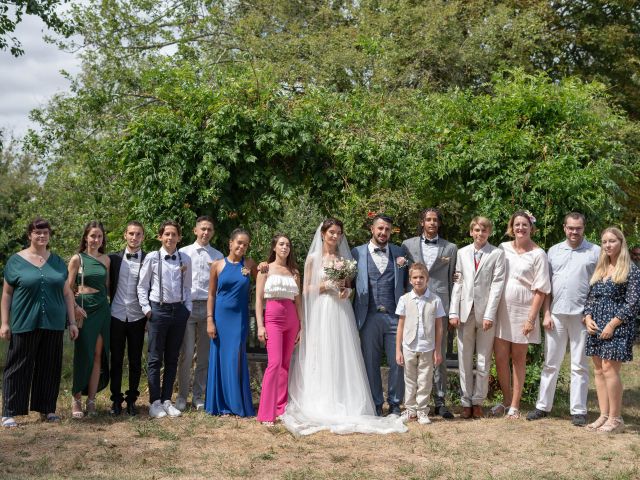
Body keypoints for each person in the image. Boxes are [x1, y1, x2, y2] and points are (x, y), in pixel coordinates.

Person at [281, 218, 407, 435]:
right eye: (331, 232)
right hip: (322, 309)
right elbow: (306, 289)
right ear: (323, 234)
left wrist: (345, 291)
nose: (335, 236)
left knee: (342, 353)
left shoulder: (345, 259)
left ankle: (345, 398)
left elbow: (350, 287)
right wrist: (328, 285)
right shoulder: (313, 259)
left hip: (341, 310)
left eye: (338, 232)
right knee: (323, 351)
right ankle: (322, 400)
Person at [1, 218, 79, 428]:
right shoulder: (16, 261)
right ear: (30, 235)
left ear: (49, 235)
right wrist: (5, 323)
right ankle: (9, 411)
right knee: (18, 366)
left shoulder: (57, 262)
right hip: (24, 321)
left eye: (45, 233)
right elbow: (7, 294)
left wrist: (72, 322)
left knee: (49, 367)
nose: (42, 236)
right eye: (37, 233)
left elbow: (67, 294)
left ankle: (47, 409)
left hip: (53, 323)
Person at [527, 213, 599, 426]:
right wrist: (546, 313)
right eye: (570, 228)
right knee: (551, 363)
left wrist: (590, 314)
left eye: (578, 228)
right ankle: (543, 406)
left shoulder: (595, 252)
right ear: (564, 228)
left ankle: (578, 410)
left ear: (584, 228)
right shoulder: (553, 251)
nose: (574, 232)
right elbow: (546, 287)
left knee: (579, 365)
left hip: (582, 316)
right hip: (556, 314)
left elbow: (598, 286)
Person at [493, 210, 550, 419]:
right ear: (511, 227)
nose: (520, 228)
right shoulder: (503, 249)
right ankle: (506, 401)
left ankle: (516, 405)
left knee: (518, 358)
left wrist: (531, 318)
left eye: (524, 225)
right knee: (499, 358)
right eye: (517, 224)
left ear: (531, 227)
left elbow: (541, 289)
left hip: (524, 311)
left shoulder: (538, 254)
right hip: (501, 310)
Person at [584, 227, 640, 433]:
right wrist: (587, 317)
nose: (608, 245)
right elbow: (590, 297)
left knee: (610, 368)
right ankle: (604, 415)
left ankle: (616, 419)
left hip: (617, 326)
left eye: (612, 241)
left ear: (621, 243)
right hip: (596, 325)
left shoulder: (631, 270)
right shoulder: (601, 269)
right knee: (598, 369)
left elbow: (632, 303)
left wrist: (612, 324)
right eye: (604, 241)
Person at [402, 208, 457, 419]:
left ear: (439, 223)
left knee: (438, 355)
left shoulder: (450, 248)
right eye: (428, 219)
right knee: (411, 355)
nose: (432, 223)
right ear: (422, 222)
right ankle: (412, 404)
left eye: (435, 220)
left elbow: (453, 279)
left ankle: (440, 401)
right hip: (414, 306)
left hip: (439, 306)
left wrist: (453, 310)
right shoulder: (408, 245)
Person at [449, 216, 505, 419]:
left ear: (489, 232)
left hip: (486, 314)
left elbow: (497, 285)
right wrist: (453, 311)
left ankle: (478, 401)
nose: (480, 234)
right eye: (476, 230)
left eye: (484, 230)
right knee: (464, 358)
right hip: (465, 312)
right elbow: (459, 282)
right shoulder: (462, 252)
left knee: (482, 359)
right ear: (471, 231)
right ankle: (465, 401)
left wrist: (490, 314)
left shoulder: (497, 254)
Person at [352, 214, 408, 416]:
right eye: (380, 229)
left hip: (394, 316)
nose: (383, 233)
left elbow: (407, 283)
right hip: (368, 316)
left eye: (387, 229)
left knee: (397, 361)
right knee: (370, 362)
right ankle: (375, 402)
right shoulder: (357, 253)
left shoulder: (399, 252)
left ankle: (394, 403)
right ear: (372, 229)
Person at [137, 220, 192, 419]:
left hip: (178, 311)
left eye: (174, 234)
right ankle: (154, 402)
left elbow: (187, 287)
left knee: (172, 358)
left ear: (179, 237)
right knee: (154, 358)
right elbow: (142, 286)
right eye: (166, 234)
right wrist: (147, 310)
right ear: (160, 237)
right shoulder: (152, 258)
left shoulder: (185, 259)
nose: (170, 238)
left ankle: (167, 399)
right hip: (157, 311)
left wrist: (187, 309)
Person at [205, 228, 257, 417]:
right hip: (220, 318)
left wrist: (261, 267)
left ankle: (236, 403)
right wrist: (210, 320)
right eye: (239, 243)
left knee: (234, 358)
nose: (242, 246)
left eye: (245, 244)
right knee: (220, 358)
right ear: (230, 243)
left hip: (239, 319)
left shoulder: (249, 263)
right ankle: (221, 405)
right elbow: (211, 295)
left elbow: (265, 275)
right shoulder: (217, 265)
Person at [176, 216, 223, 411]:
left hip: (209, 308)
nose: (205, 232)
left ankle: (198, 395)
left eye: (209, 229)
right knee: (186, 353)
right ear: (195, 230)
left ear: (212, 233)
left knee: (204, 355)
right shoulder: (183, 253)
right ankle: (181, 396)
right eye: (202, 229)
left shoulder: (218, 256)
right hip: (187, 306)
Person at [255, 234, 302, 425]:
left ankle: (280, 408)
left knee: (285, 364)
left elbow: (298, 302)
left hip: (292, 320)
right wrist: (260, 325)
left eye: (288, 245)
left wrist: (302, 326)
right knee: (274, 364)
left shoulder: (294, 272)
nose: (285, 247)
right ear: (274, 247)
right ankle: (266, 413)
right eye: (281, 244)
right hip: (273, 318)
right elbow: (258, 300)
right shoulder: (264, 269)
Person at [68, 221, 111, 418]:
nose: (96, 240)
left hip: (102, 309)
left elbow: (107, 286)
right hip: (84, 309)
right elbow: (68, 289)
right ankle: (76, 398)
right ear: (86, 236)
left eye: (99, 236)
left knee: (96, 355)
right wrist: (75, 307)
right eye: (93, 236)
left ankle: (91, 401)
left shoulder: (106, 260)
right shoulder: (77, 259)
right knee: (83, 354)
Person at [395, 263, 444, 425]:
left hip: (427, 346)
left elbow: (439, 327)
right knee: (409, 379)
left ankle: (422, 411)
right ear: (410, 280)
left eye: (421, 277)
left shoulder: (435, 300)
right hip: (409, 345)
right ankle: (410, 410)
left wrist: (437, 350)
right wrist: (398, 350)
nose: (418, 280)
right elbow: (400, 326)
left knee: (425, 380)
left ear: (427, 279)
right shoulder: (404, 299)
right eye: (415, 277)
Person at [108, 221, 147, 416]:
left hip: (138, 316)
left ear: (143, 237)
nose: (134, 237)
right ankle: (115, 400)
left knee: (135, 360)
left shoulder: (149, 259)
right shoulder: (113, 258)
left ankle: (132, 400)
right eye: (131, 233)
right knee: (115, 359)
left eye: (138, 234)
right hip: (115, 314)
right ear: (125, 235)